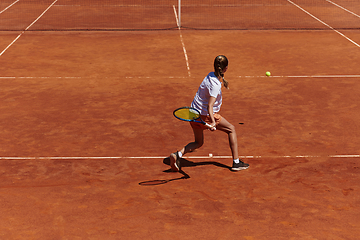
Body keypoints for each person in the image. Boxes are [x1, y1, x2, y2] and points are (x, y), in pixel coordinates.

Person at [169, 55, 249, 172]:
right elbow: (210, 106)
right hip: (205, 115)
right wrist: (212, 121)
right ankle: (236, 163)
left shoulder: (209, 75)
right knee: (231, 129)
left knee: (198, 142)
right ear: (225, 68)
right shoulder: (216, 85)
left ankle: (177, 155)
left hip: (193, 114)